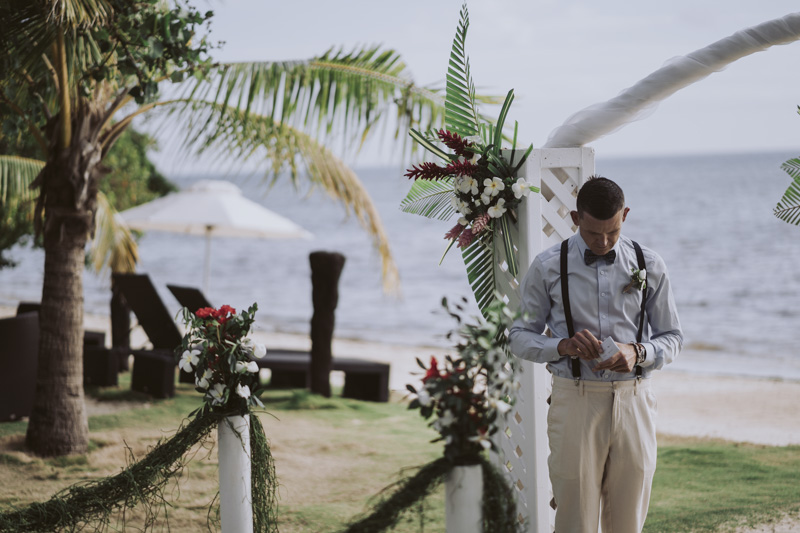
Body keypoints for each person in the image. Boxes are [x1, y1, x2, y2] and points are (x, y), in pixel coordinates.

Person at [508, 175, 683, 533]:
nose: (603, 242)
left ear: (625, 215)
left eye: (612, 232)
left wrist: (639, 351)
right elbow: (517, 337)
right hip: (575, 400)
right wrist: (561, 346)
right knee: (575, 519)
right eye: (593, 234)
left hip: (635, 401)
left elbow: (672, 337)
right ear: (575, 218)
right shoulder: (546, 266)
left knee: (628, 520)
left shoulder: (649, 264)